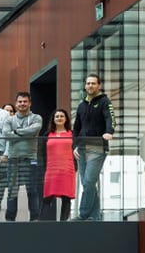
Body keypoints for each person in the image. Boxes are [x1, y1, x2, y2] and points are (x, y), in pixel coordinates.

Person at [73, 73, 114, 220]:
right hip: (82, 149)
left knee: (89, 180)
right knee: (86, 183)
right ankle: (95, 216)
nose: (90, 86)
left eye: (93, 83)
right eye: (88, 83)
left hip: (97, 148)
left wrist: (109, 132)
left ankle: (83, 214)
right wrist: (75, 146)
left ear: (99, 86)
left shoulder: (105, 102)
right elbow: (76, 128)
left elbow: (110, 118)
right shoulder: (81, 105)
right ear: (85, 86)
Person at [43, 108, 75, 221]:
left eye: (62, 116)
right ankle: (43, 224)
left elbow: (76, 150)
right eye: (57, 116)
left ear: (66, 119)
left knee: (66, 198)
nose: (59, 118)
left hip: (67, 169)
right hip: (51, 170)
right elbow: (41, 152)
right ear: (53, 119)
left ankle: (63, 223)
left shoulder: (72, 134)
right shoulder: (47, 134)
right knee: (47, 196)